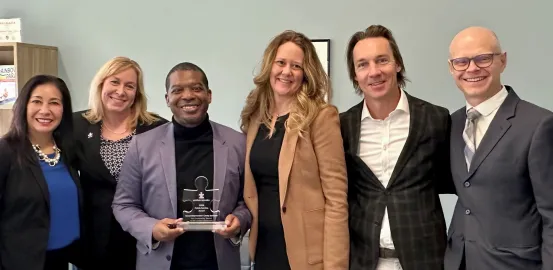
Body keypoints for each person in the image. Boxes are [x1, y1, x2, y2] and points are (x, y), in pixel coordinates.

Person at [112, 62, 251, 270]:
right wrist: (151, 228)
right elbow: (123, 205)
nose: (188, 96)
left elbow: (248, 201)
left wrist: (240, 219)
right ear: (167, 99)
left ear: (209, 95)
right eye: (177, 90)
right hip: (160, 262)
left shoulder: (237, 143)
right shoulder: (142, 145)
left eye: (196, 88)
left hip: (219, 262)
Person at [340, 25, 455, 270]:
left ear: (398, 64)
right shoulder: (341, 126)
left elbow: (450, 180)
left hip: (425, 259)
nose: (374, 72)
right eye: (363, 64)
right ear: (355, 75)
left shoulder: (436, 119)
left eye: (382, 60)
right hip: (362, 261)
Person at [444, 26, 553, 270]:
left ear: (502, 61)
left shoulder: (539, 124)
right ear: (452, 69)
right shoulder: (451, 123)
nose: (472, 68)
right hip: (458, 261)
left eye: (483, 58)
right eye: (461, 62)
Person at [240, 30, 349, 270]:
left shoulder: (321, 117)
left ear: (305, 74)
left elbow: (336, 199)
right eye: (281, 63)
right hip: (264, 249)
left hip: (306, 256)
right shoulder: (255, 118)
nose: (286, 72)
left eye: (296, 66)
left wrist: (336, 266)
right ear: (270, 66)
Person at [73, 56, 168, 269]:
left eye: (129, 86)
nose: (121, 91)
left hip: (144, 235)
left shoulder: (156, 128)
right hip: (95, 237)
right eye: (114, 82)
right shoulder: (76, 125)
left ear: (137, 93)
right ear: (101, 85)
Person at [0, 75, 83, 270]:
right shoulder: (6, 151)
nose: (45, 110)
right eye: (37, 101)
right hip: (21, 262)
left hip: (62, 258)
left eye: (54, 103)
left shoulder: (67, 148)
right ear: (24, 106)